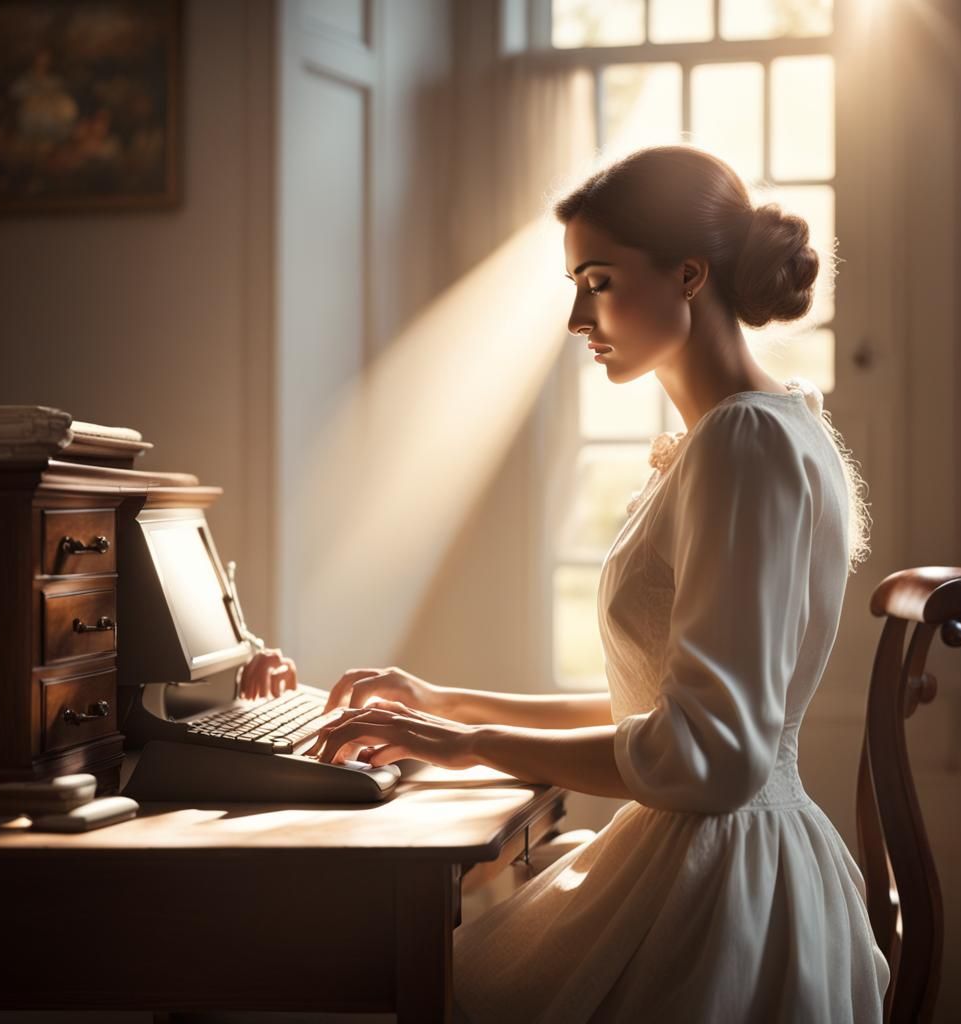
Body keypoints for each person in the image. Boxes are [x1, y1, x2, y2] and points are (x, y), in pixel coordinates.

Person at [307, 145, 890, 1021]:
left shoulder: (746, 443)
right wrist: (448, 705)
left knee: (411, 977)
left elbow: (713, 757)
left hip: (723, 894)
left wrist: (469, 747)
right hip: (726, 856)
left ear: (689, 274)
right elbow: (663, 708)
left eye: (600, 280)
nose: (579, 314)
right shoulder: (762, 429)